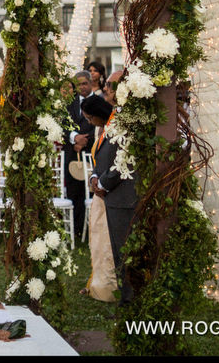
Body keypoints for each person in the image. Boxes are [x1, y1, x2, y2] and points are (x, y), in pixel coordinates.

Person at [90, 92, 134, 303]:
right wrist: (94, 176)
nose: (107, 91)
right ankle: (122, 295)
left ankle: (129, 297)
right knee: (115, 249)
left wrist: (104, 183)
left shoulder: (126, 122)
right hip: (107, 193)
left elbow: (124, 157)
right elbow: (101, 156)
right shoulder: (110, 122)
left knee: (124, 250)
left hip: (122, 194)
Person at [80, 93, 117, 301]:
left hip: (112, 193)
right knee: (97, 242)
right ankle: (96, 282)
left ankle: (107, 288)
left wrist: (103, 182)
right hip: (100, 191)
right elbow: (99, 160)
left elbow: (120, 161)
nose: (88, 122)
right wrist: (94, 176)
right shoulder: (101, 129)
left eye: (89, 118)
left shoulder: (117, 129)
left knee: (107, 244)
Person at [63, 71, 93, 243]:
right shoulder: (69, 104)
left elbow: (100, 126)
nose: (82, 87)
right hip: (72, 155)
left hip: (90, 155)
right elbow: (63, 124)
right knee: (74, 192)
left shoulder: (98, 102)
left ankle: (88, 231)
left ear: (90, 83)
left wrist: (84, 141)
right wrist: (74, 137)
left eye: (84, 83)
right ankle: (75, 230)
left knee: (89, 192)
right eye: (78, 84)